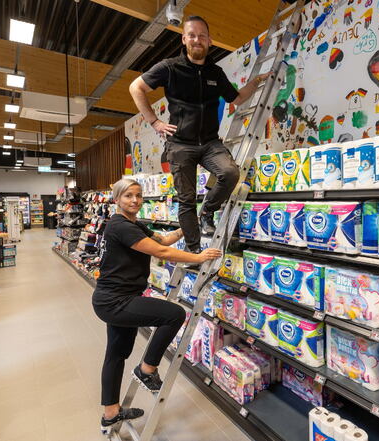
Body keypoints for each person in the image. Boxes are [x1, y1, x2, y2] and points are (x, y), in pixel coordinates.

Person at [129, 15, 270, 253]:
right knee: (186, 200)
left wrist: (255, 81)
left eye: (201, 36)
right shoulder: (169, 67)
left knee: (229, 172)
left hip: (210, 143)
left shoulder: (215, 72)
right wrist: (154, 121)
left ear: (209, 40)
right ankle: (194, 251)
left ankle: (207, 211)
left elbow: (236, 98)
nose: (197, 40)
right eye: (191, 35)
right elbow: (136, 87)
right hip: (180, 145)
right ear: (184, 39)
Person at [92, 178, 222, 434]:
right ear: (117, 199)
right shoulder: (121, 226)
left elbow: (163, 241)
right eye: (129, 195)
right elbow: (160, 253)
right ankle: (147, 369)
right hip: (116, 300)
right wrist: (198, 257)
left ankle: (111, 413)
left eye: (139, 196)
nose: (135, 200)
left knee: (117, 355)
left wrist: (186, 227)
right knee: (174, 314)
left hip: (114, 297)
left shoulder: (132, 224)